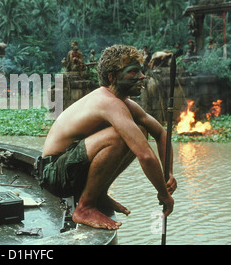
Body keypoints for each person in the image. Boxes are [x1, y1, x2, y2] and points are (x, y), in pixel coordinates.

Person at [38, 45, 177, 230]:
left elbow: (161, 133)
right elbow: (145, 155)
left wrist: (168, 173)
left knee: (141, 129)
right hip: (53, 173)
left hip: (70, 169)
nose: (142, 77)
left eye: (141, 71)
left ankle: (98, 193)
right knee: (121, 136)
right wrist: (164, 194)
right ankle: (85, 207)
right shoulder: (108, 102)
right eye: (133, 72)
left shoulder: (124, 103)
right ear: (112, 77)